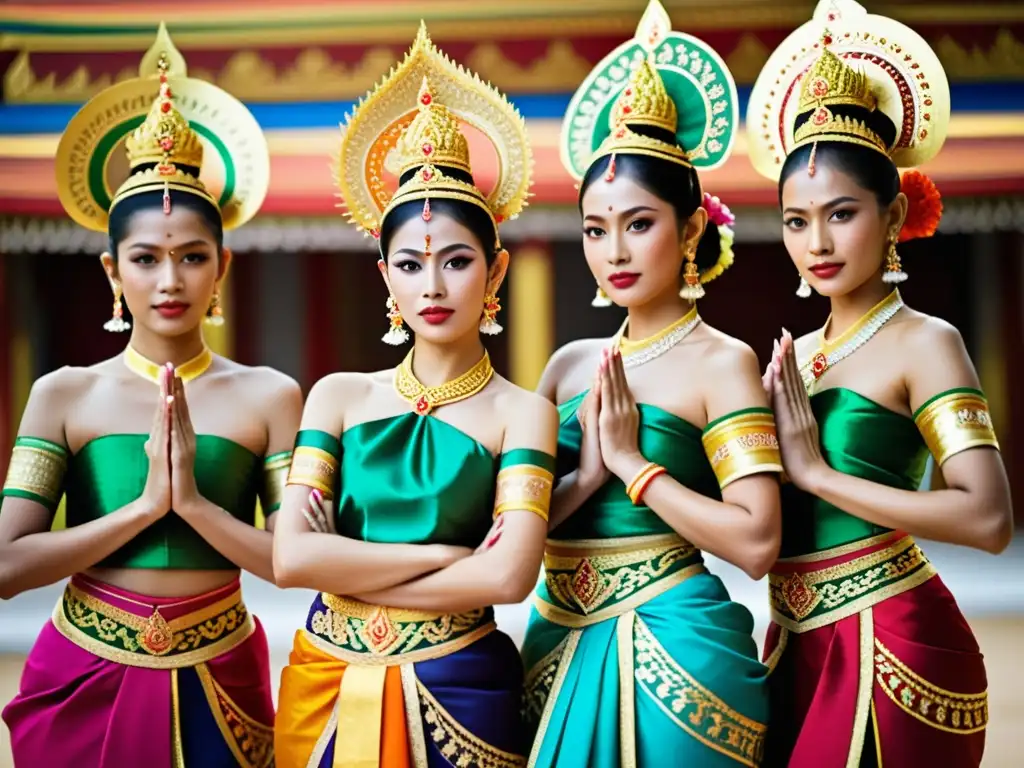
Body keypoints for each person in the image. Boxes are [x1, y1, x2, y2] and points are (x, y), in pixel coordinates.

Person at [0, 25, 297, 768]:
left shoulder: (270, 398)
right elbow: (5, 568)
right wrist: (142, 510)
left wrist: (194, 507)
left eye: (192, 257)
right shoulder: (64, 394)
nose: (170, 282)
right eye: (146, 259)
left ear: (221, 266)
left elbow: (297, 560)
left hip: (221, 669)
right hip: (84, 671)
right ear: (112, 271)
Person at [271, 23, 558, 768]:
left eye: (457, 261)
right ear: (385, 278)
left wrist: (351, 558)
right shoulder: (335, 397)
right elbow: (292, 560)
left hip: (460, 683)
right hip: (326, 677)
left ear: (495, 274)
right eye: (411, 264)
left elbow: (509, 575)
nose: (433, 285)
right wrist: (444, 553)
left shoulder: (522, 413)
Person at [746, 1, 1014, 765]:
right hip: (789, 642)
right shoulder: (793, 361)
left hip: (892, 643)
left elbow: (988, 520)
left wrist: (817, 474)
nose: (817, 242)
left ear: (894, 213)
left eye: (841, 214)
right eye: (796, 221)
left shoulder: (926, 343)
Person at [521, 2, 783, 765]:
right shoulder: (568, 366)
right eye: (596, 230)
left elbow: (758, 542)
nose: (614, 250)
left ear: (693, 228)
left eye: (639, 224)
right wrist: (589, 473)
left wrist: (635, 469)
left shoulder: (722, 363)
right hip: (555, 640)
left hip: (675, 651)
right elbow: (517, 526)